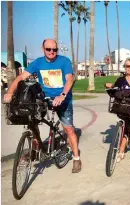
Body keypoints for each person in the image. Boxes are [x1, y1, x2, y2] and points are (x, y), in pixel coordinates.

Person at [4, 39, 82, 173]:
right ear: (43, 49)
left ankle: (76, 158)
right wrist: (10, 93)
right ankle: (35, 149)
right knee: (32, 122)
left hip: (63, 99)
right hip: (43, 99)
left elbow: (70, 79)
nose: (52, 52)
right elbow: (20, 77)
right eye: (48, 49)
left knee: (69, 130)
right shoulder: (38, 62)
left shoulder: (64, 61)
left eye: (54, 50)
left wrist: (62, 95)